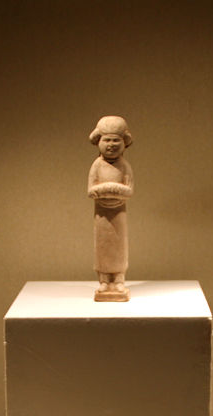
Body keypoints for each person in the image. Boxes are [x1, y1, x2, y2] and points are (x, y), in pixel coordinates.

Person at [88, 116, 134, 301]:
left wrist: (109, 190)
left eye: (116, 140)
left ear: (124, 142)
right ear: (98, 141)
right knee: (102, 247)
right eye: (107, 140)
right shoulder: (97, 165)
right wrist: (110, 190)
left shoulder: (124, 166)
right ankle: (104, 280)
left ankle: (119, 278)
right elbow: (91, 191)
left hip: (118, 213)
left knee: (119, 246)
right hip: (102, 214)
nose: (111, 145)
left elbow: (129, 190)